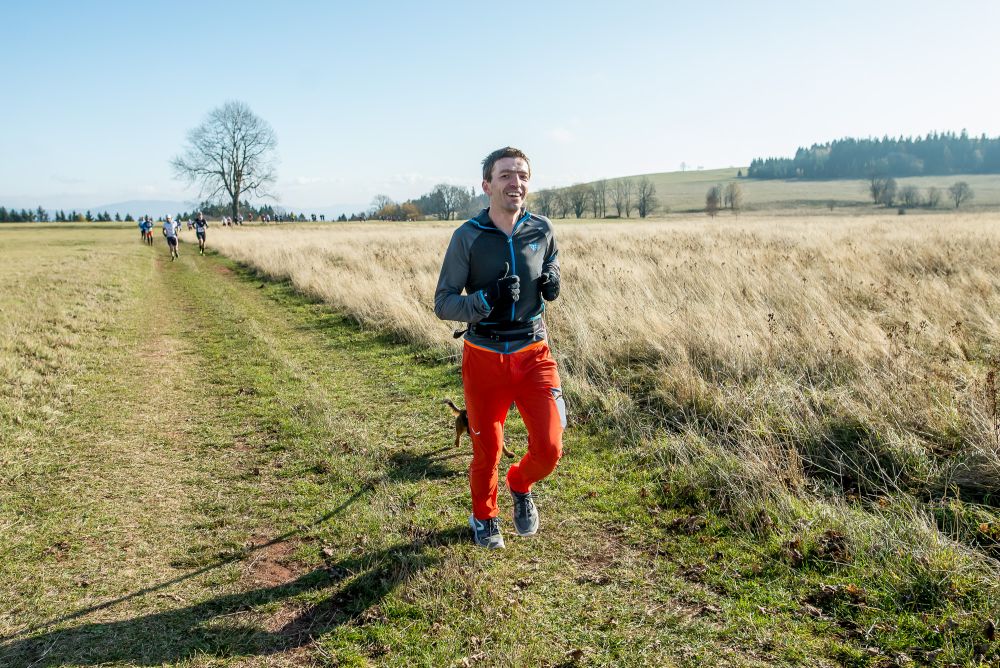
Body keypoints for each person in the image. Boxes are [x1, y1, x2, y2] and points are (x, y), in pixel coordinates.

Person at [434, 147, 564, 549]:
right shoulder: (468, 237)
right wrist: (486, 298)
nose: (516, 182)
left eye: (522, 175)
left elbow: (551, 258)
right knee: (487, 451)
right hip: (485, 358)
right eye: (505, 175)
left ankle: (519, 483)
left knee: (550, 448)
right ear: (487, 185)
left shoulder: (541, 229)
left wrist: (553, 277)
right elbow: (444, 304)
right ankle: (484, 517)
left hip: (534, 354)